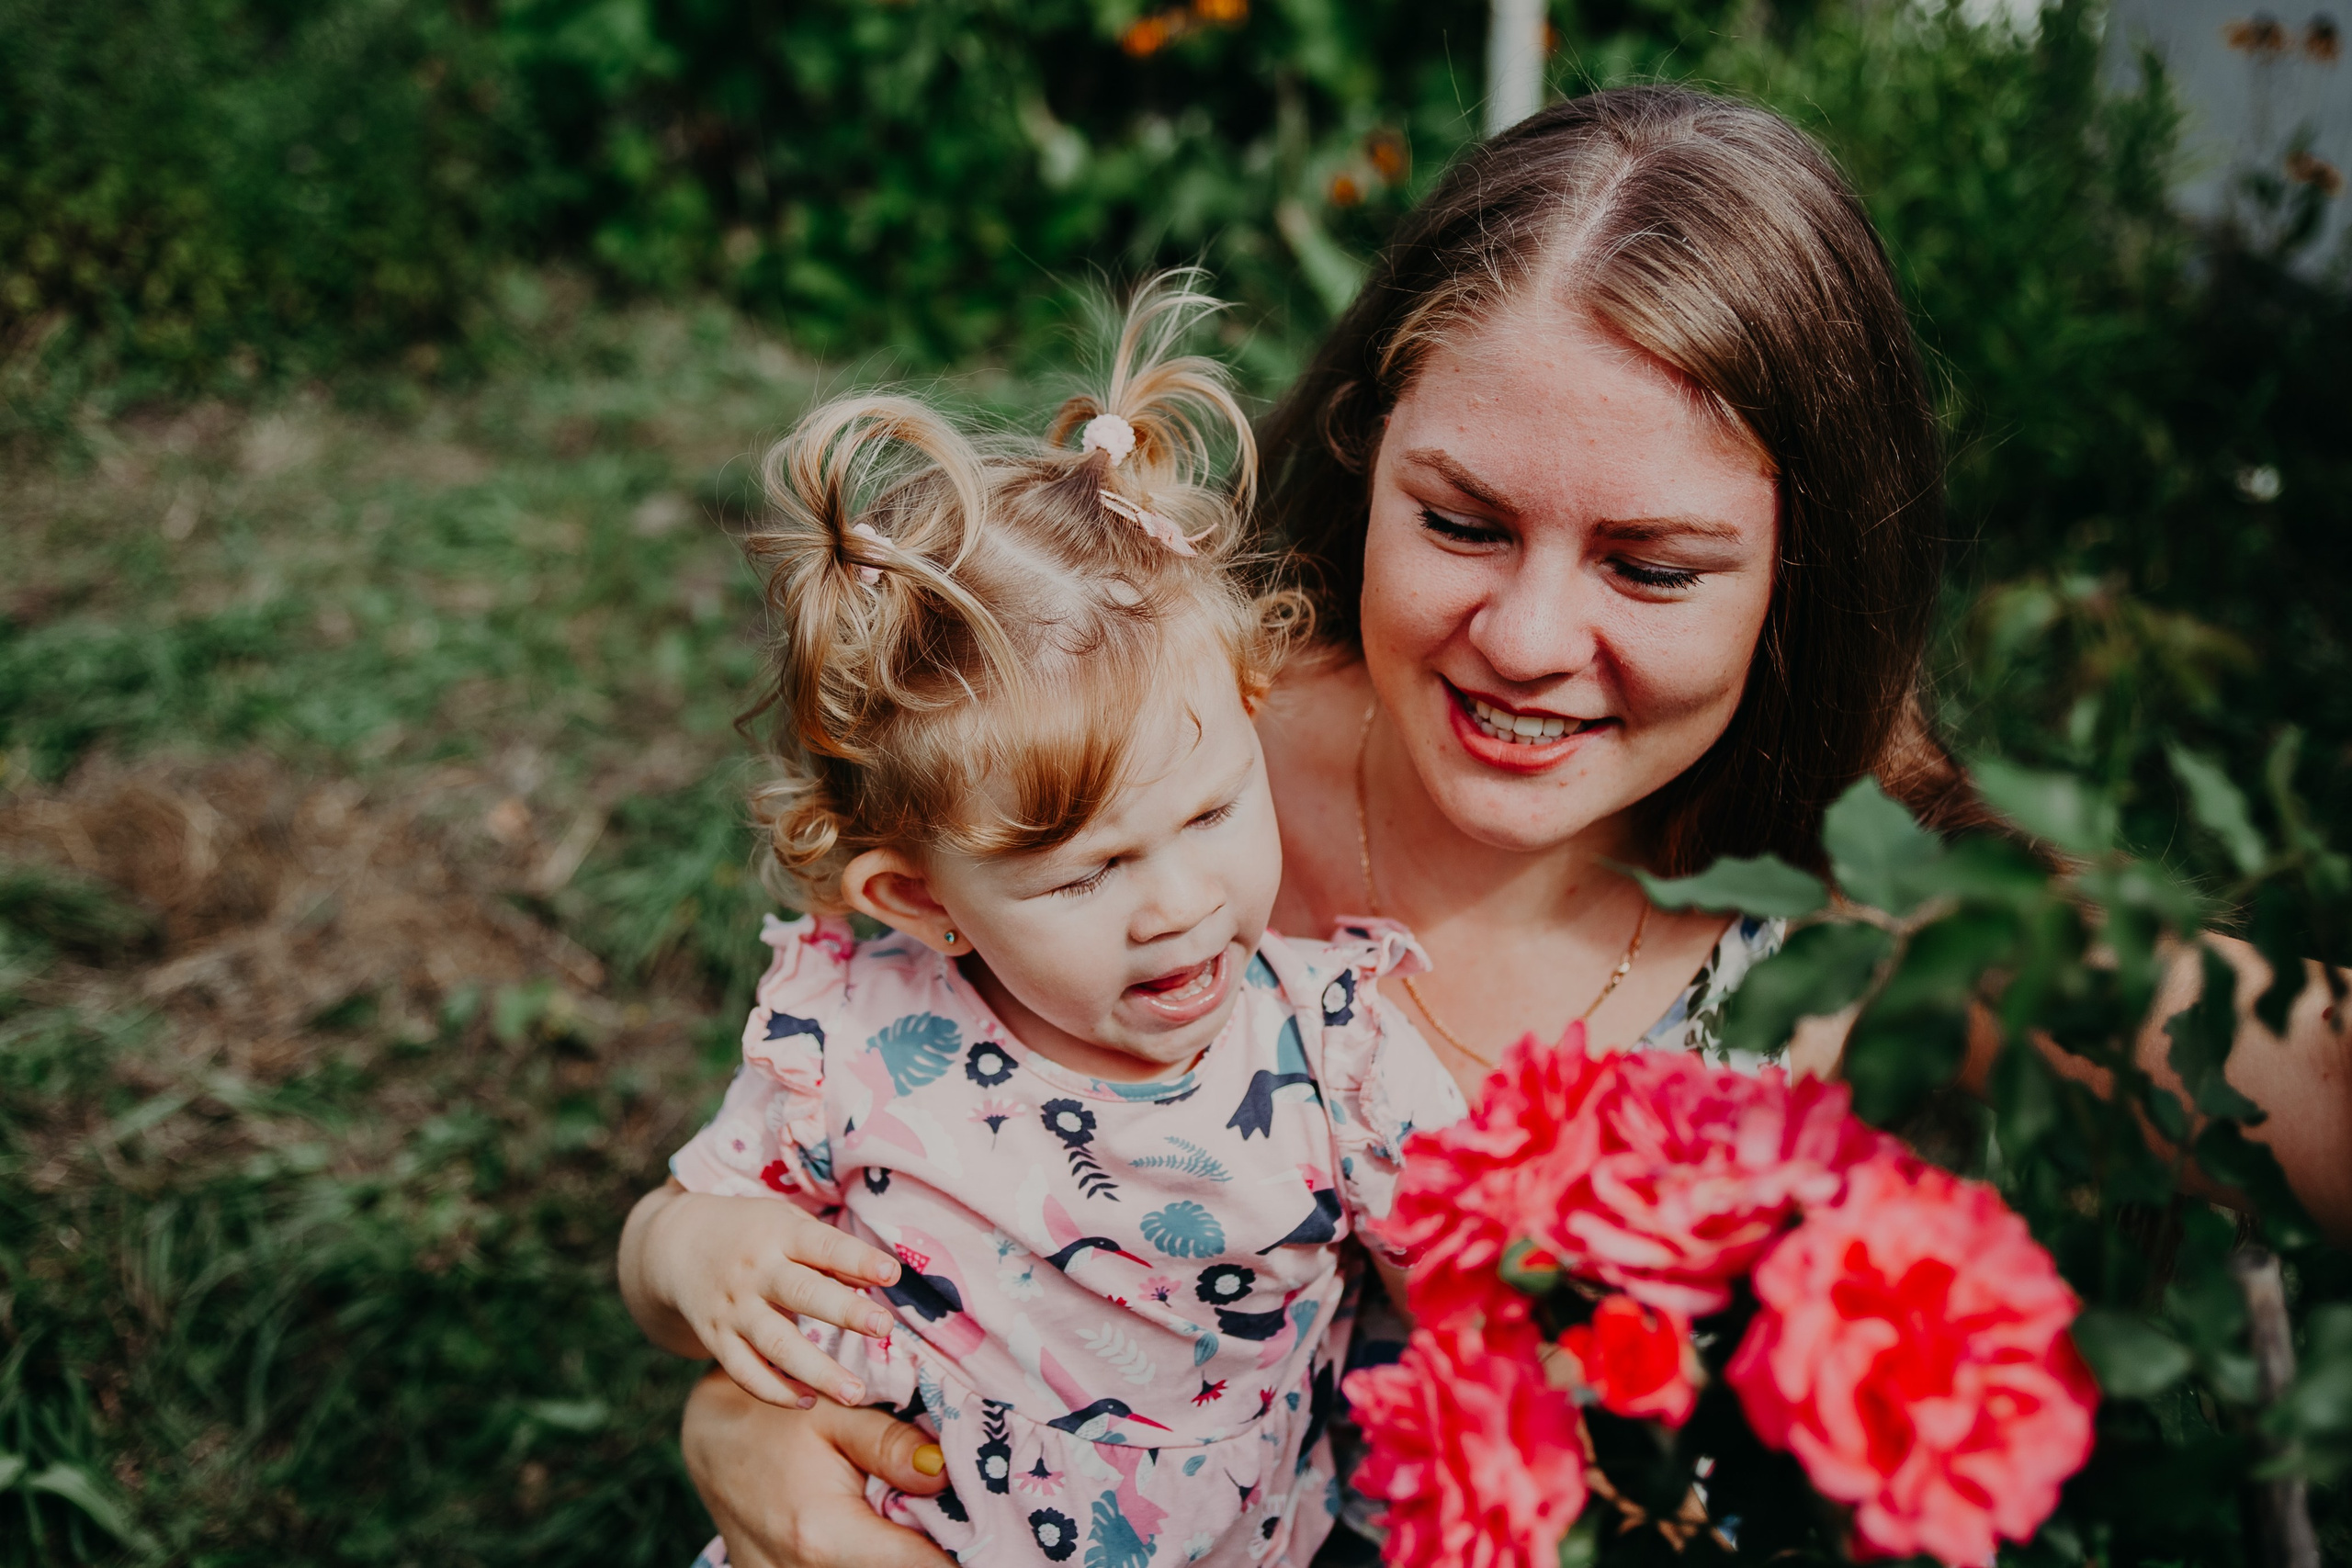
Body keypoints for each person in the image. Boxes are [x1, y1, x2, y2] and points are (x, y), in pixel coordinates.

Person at [658, 85, 2352, 1568]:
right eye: (1462, 521)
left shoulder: (1898, 919)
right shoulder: (1158, 759)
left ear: (1799, 574)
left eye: (1653, 566)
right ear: (1368, 451)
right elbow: (846, 1171)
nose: (1531, 641)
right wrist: (738, 1422)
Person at [617, 278, 1467, 1568]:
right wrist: (696, 1258)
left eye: (1214, 810)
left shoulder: (1330, 1055)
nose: (1178, 905)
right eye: (1083, 876)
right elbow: (666, 1251)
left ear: (1257, 721)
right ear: (920, 899)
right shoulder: (857, 1031)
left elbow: (1485, 1315)